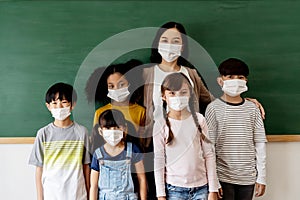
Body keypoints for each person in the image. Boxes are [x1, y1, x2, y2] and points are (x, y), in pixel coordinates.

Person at [205, 58, 267, 200]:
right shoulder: (213, 108)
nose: (235, 81)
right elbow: (209, 147)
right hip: (222, 176)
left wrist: (261, 177)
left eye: (240, 77)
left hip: (248, 177)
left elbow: (260, 144)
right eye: (230, 77)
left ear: (246, 81)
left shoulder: (253, 109)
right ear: (220, 80)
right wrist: (213, 181)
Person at [153, 73, 219, 200]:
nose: (178, 97)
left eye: (183, 92)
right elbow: (159, 160)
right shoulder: (160, 124)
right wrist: (160, 194)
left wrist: (213, 189)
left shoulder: (199, 120)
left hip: (202, 188)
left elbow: (209, 155)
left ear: (190, 94)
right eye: (172, 93)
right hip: (175, 190)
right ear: (163, 96)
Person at [28, 82, 91, 200]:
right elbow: (39, 169)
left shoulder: (82, 132)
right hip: (52, 194)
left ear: (73, 104)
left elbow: (86, 166)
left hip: (77, 194)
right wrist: (40, 197)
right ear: (48, 106)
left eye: (64, 102)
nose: (59, 107)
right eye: (55, 103)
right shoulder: (43, 133)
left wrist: (88, 193)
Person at [85, 59, 146, 153]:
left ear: (130, 83)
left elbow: (143, 142)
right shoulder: (100, 112)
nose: (117, 89)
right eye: (111, 86)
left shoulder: (140, 111)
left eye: (121, 84)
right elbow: (96, 141)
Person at [90, 109, 147, 200]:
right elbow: (94, 186)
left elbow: (142, 179)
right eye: (108, 128)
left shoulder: (133, 150)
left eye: (117, 127)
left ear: (124, 128)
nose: (113, 131)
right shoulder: (98, 154)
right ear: (101, 131)